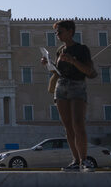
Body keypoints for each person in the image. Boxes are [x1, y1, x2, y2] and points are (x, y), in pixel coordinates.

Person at [41, 20, 96, 172]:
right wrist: (48, 65)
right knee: (68, 127)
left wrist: (72, 60)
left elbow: (88, 70)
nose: (57, 34)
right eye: (56, 32)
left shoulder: (81, 49)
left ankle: (84, 161)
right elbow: (58, 72)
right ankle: (75, 160)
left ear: (70, 31)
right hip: (61, 87)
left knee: (78, 123)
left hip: (77, 86)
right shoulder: (60, 50)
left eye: (60, 31)